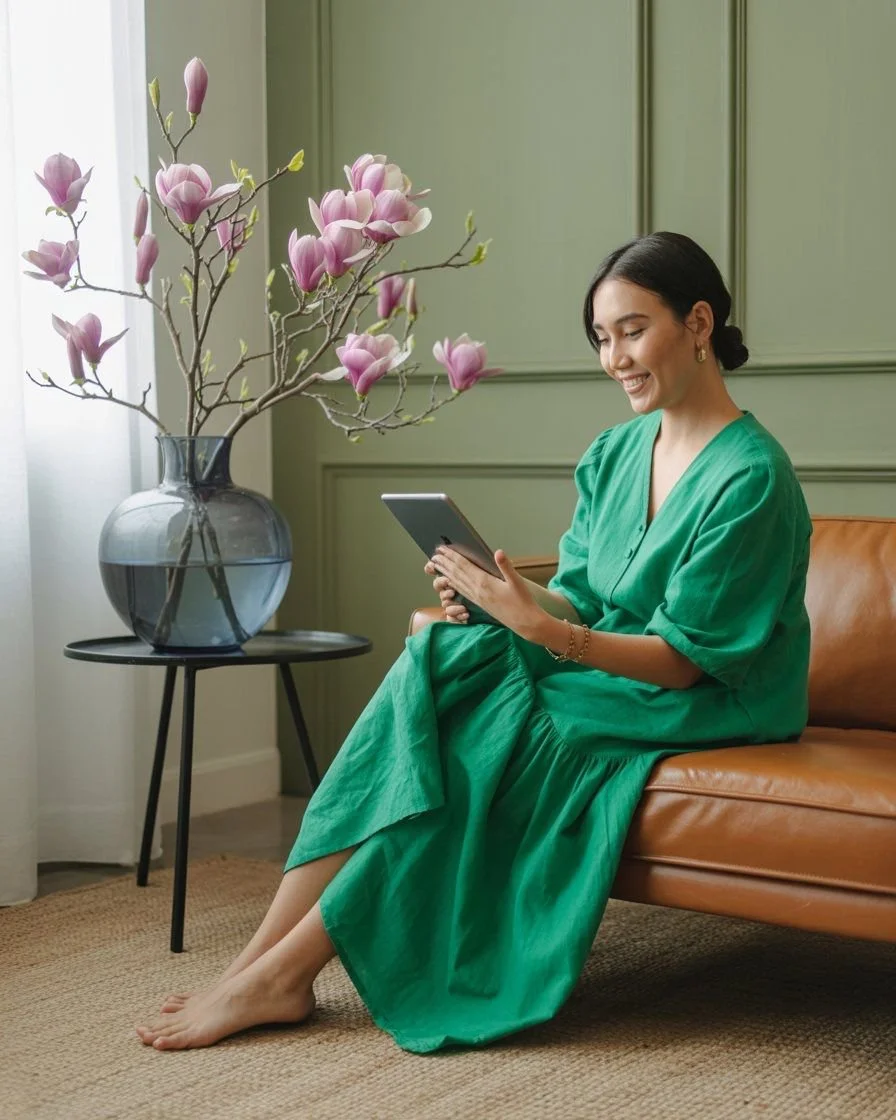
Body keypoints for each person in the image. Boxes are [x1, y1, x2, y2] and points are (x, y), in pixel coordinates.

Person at [136, 230, 812, 1054]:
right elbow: (588, 599)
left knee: (492, 730)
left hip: (703, 698)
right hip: (606, 662)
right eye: (602, 338)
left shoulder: (751, 478)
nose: (615, 358)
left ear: (698, 322)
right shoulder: (616, 451)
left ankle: (285, 975)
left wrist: (545, 630)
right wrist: (505, 597)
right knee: (438, 656)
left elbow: (680, 660)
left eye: (633, 330)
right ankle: (260, 962)